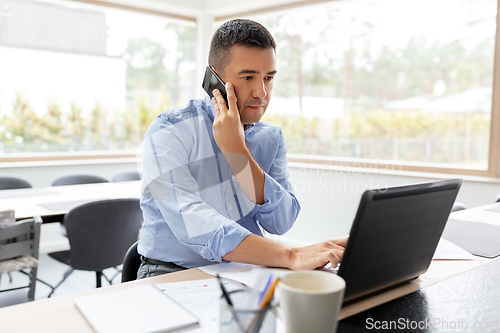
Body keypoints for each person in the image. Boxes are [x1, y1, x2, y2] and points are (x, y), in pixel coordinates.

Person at [137, 19, 346, 279]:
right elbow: (191, 222)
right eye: (248, 77)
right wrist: (289, 255)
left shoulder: (271, 137)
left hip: (246, 271)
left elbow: (281, 222)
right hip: (170, 272)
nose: (262, 93)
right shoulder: (169, 130)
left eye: (268, 78)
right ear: (214, 79)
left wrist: (238, 153)